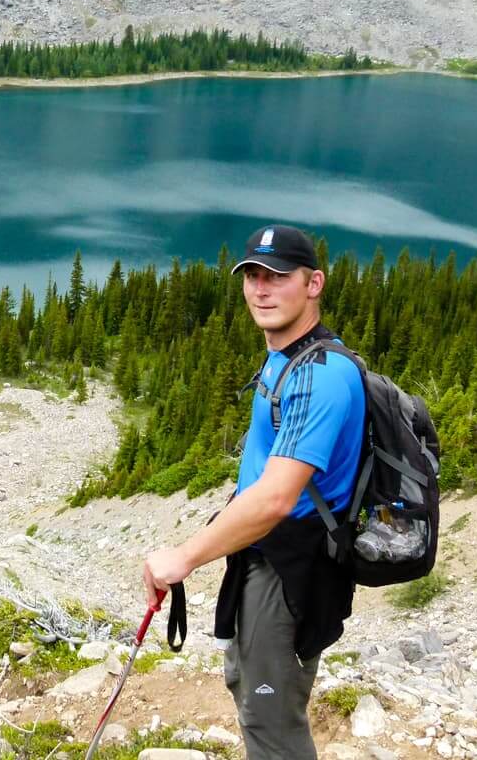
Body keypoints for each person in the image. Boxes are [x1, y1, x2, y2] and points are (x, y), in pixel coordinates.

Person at [142, 224, 364, 760]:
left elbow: (274, 499)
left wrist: (184, 557)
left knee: (272, 725)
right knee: (253, 695)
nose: (261, 289)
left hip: (292, 570)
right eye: (253, 276)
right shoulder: (287, 358)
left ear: (314, 284)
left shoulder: (322, 376)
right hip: (268, 560)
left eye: (278, 277)